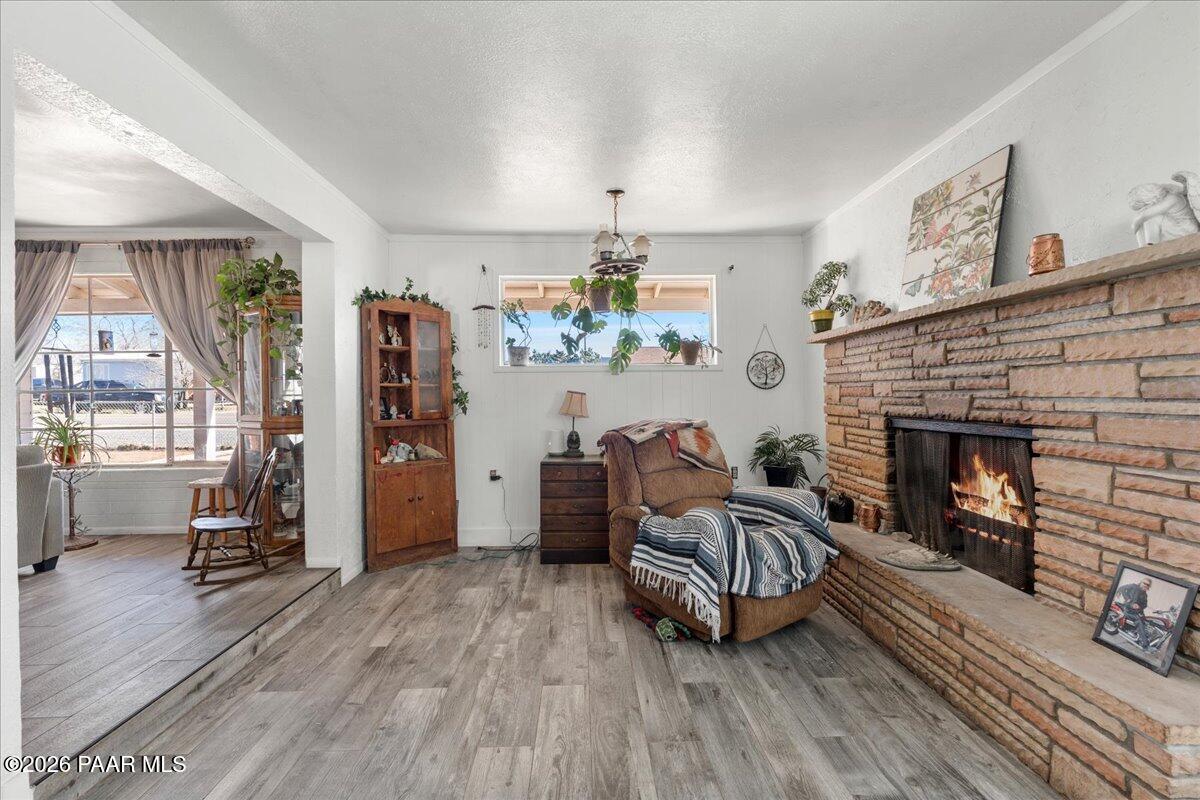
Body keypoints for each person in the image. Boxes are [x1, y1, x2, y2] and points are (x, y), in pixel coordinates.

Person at [1115, 577, 1152, 651]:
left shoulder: (1145, 595)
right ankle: (1145, 646)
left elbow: (1145, 605)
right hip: (1128, 610)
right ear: (1141, 582)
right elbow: (1122, 588)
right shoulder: (1134, 586)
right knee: (1139, 622)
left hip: (1136, 612)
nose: (1145, 585)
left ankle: (1139, 636)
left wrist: (1139, 607)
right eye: (1144, 583)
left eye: (1148, 585)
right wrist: (1127, 599)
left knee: (1148, 622)